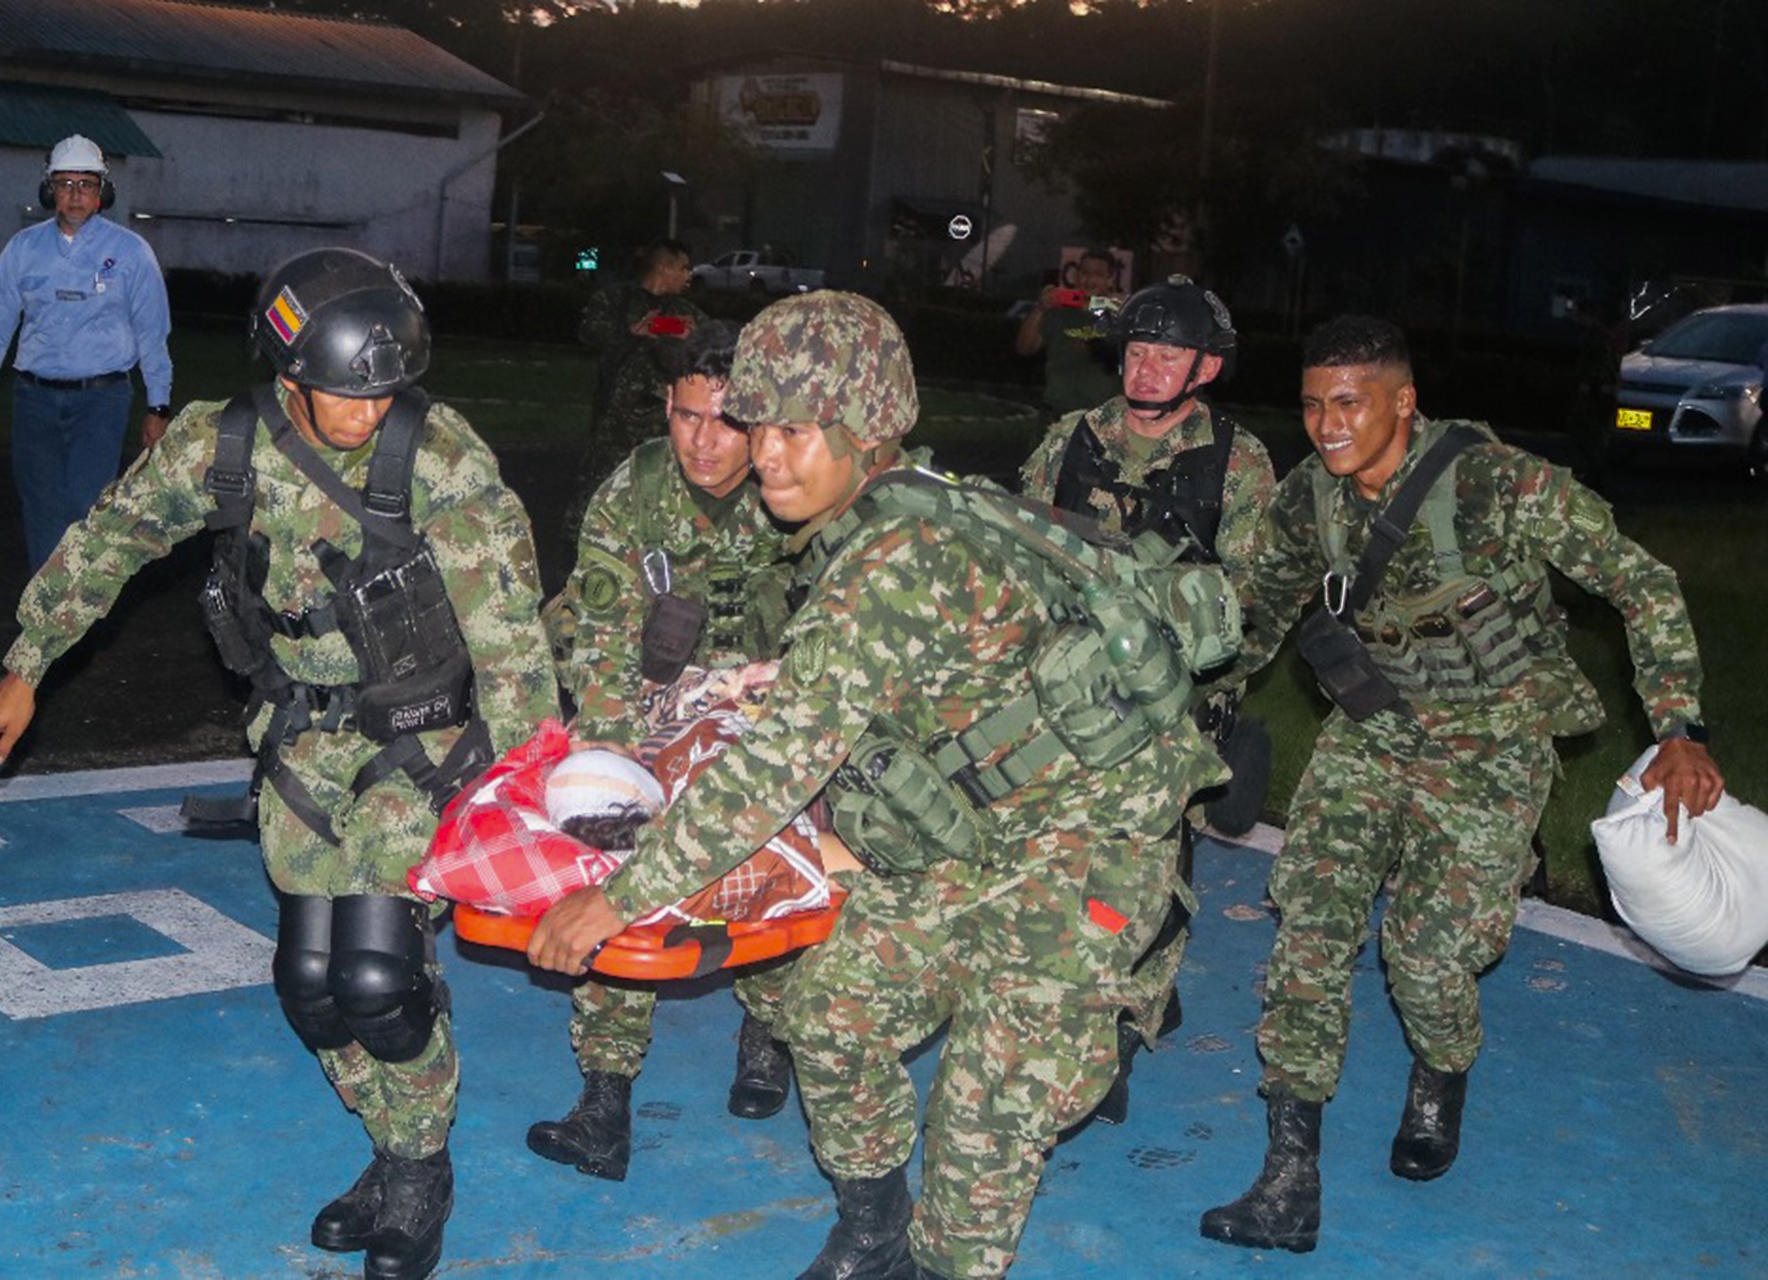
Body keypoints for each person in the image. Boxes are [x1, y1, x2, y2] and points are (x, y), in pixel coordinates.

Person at [528, 292, 1240, 1278]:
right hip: (976, 832)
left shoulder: (895, 558)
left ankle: (939, 1254)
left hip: (1086, 854)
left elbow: (776, 766)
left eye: (789, 429)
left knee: (979, 1137)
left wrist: (615, 897)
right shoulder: (905, 504)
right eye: (752, 425)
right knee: (822, 998)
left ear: (864, 432)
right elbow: (938, 662)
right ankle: (871, 1230)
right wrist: (793, 677)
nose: (763, 453)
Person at [0, 247, 558, 1280]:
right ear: (290, 375)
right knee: (310, 987)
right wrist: (26, 664)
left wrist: (530, 802)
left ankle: (421, 1169)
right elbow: (110, 539)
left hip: (416, 742)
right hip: (300, 742)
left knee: (379, 981)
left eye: (384, 392)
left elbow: (509, 638)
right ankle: (390, 1143)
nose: (368, 412)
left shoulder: (442, 459)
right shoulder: (221, 447)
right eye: (344, 394)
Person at [1198, 315, 1725, 1254]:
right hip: (1371, 736)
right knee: (1310, 930)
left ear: (1404, 400)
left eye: (1349, 401)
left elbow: (1640, 583)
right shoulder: (1307, 499)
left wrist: (1679, 727)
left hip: (1492, 748)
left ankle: (1441, 1075)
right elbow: (1260, 609)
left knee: (1427, 957)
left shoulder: (1499, 482)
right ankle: (1289, 1181)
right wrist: (1206, 700)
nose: (1326, 423)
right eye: (1313, 403)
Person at [529, 320, 800, 1182]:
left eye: (728, 423)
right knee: (617, 867)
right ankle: (604, 1100)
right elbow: (601, 630)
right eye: (687, 417)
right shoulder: (636, 489)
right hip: (652, 705)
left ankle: (768, 1028)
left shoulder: (796, 484)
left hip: (775, 707)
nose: (704, 443)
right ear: (667, 405)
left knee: (774, 865)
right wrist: (615, 751)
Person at [1018, 273, 1275, 1127]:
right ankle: (1071, 1005)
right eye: (1136, 349)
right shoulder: (1071, 439)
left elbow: (1253, 599)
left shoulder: (1236, 460)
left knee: (1150, 881)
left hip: (1171, 708)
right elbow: (1018, 548)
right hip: (1066, 696)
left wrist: (1204, 684)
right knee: (1055, 869)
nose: (1148, 367)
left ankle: (1123, 1031)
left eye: (1168, 354)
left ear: (1204, 369)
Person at [0, 134, 173, 571]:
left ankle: (81, 602)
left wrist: (158, 404)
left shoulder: (131, 253)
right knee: (40, 504)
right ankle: (48, 609)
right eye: (65, 184)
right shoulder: (23, 249)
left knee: (86, 503)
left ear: (102, 193)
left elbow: (153, 332)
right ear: (49, 191)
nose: (76, 194)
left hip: (102, 400)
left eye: (86, 184)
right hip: (35, 399)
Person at [577, 237, 705, 490]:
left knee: (659, 490)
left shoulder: (684, 310)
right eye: (683, 268)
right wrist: (632, 334)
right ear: (663, 268)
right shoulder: (616, 300)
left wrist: (694, 339)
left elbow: (715, 346)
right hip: (616, 422)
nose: (688, 275)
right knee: (600, 490)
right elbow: (589, 334)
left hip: (663, 422)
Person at [1013, 248, 1125, 419]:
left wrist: (1110, 307)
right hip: (1057, 412)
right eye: (1084, 273)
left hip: (1102, 416)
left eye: (1098, 274)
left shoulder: (1119, 314)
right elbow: (1024, 348)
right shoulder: (1058, 311)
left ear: (1110, 279)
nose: (1088, 280)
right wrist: (1040, 308)